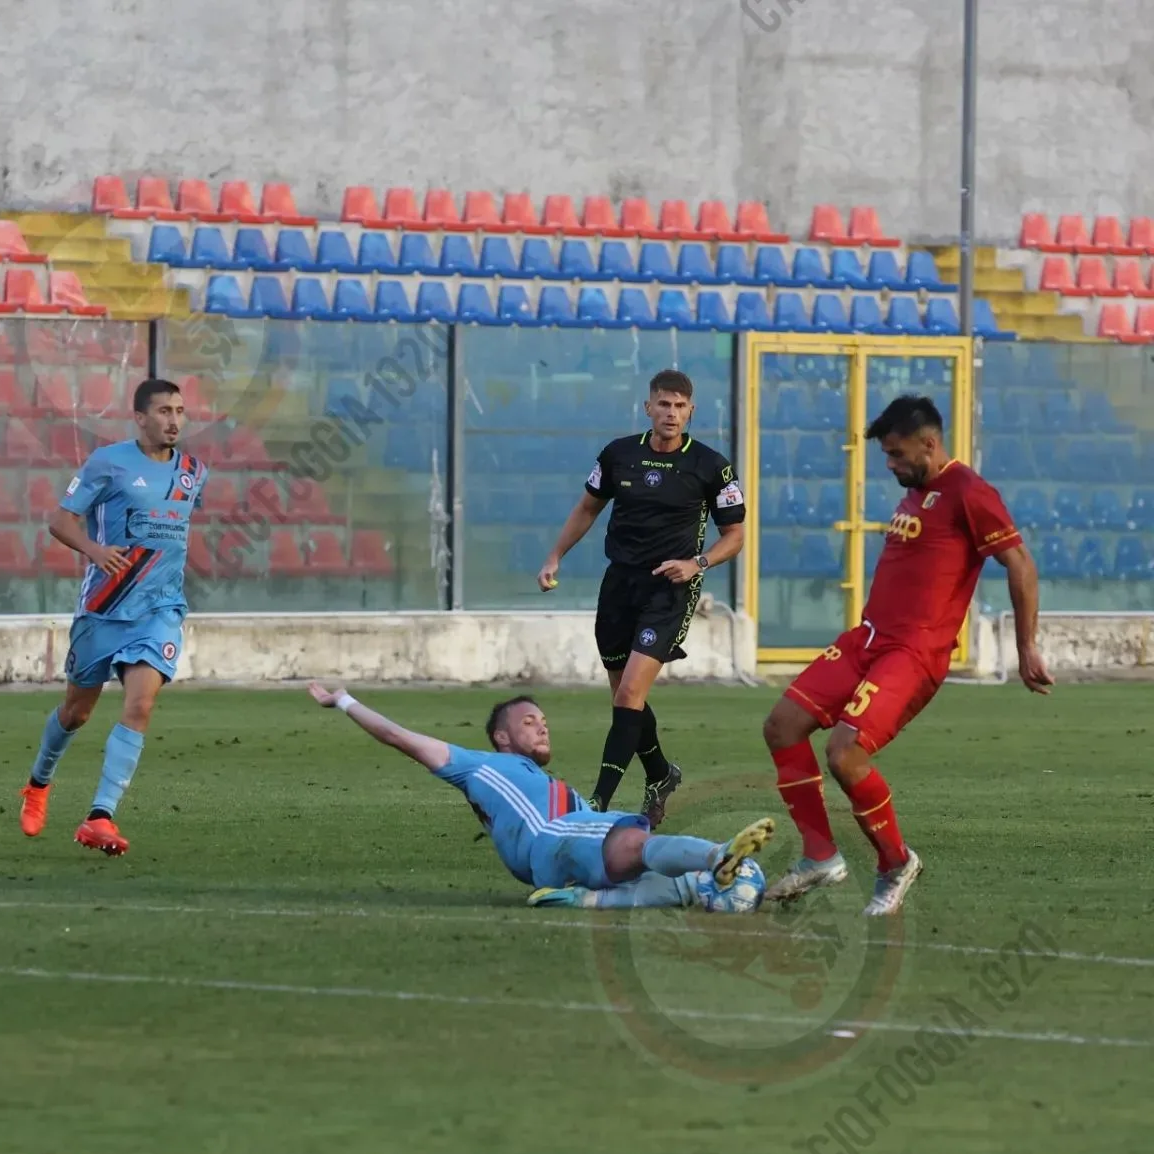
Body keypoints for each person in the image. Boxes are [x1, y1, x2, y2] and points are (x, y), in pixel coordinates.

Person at [762, 394, 1054, 917]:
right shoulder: (918, 492)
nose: (891, 465)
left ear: (929, 443)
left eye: (897, 454)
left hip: (914, 653)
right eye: (887, 455)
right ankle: (820, 855)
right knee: (782, 726)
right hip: (867, 639)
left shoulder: (969, 491)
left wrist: (1026, 646)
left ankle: (895, 863)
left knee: (845, 754)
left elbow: (1021, 565)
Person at [307, 685, 774, 911]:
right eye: (528, 722)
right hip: (554, 836)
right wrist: (343, 700)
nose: (542, 727)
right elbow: (397, 736)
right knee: (633, 844)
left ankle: (599, 899)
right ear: (501, 737)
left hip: (556, 850)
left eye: (544, 721)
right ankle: (718, 855)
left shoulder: (554, 789)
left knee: (646, 865)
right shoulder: (478, 765)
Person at [538, 369, 746, 824]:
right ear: (648, 407)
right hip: (619, 585)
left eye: (680, 406)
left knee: (631, 691)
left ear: (691, 411)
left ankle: (598, 803)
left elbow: (735, 536)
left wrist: (698, 563)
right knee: (623, 698)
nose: (671, 413)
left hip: (670, 590)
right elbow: (587, 508)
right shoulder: (619, 454)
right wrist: (555, 556)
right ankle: (660, 774)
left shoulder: (711, 466)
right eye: (663, 404)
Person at [17, 379, 207, 855]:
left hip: (160, 610)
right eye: (163, 411)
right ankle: (38, 783)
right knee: (76, 712)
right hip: (105, 608)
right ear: (140, 418)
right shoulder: (108, 462)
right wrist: (95, 550)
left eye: (180, 411)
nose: (174, 420)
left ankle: (99, 816)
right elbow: (60, 520)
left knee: (140, 705)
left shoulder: (192, 472)